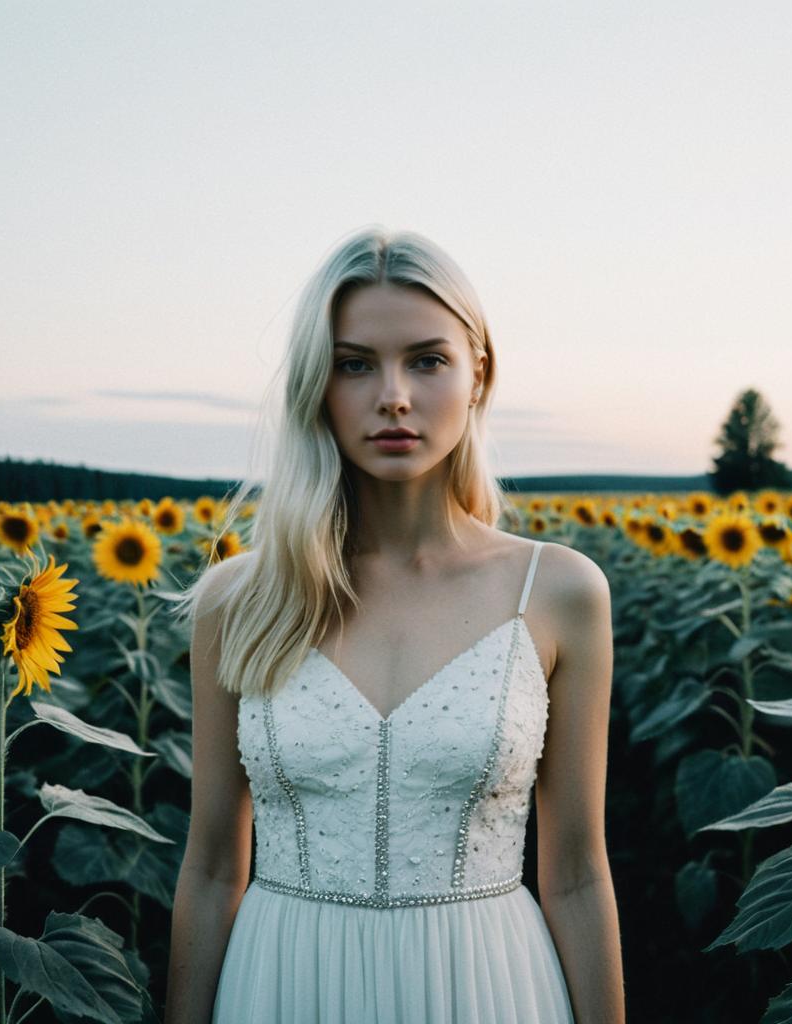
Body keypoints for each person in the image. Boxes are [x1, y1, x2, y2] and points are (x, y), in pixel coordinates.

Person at [164, 226, 625, 1023]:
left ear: (479, 371)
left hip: (489, 987)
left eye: (426, 359)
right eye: (354, 365)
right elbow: (209, 869)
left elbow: (578, 873)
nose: (394, 396)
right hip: (283, 984)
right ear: (317, 384)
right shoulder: (238, 601)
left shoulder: (556, 593)